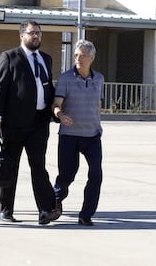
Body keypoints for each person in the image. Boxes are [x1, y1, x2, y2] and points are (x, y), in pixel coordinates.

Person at [0, 19, 60, 225]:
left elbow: (47, 87)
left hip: (39, 122)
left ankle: (46, 210)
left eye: (38, 32)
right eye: (31, 33)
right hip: (15, 123)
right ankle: (5, 210)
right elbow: (0, 89)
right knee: (10, 166)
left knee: (39, 166)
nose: (36, 36)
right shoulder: (10, 57)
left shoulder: (46, 59)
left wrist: (55, 110)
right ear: (22, 35)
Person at [52, 39, 104, 226]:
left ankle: (86, 214)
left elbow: (98, 104)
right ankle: (56, 201)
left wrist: (97, 123)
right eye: (76, 55)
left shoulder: (99, 79)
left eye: (82, 55)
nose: (78, 58)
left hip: (92, 136)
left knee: (96, 174)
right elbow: (56, 104)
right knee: (67, 175)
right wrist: (60, 114)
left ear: (92, 58)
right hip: (69, 135)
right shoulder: (65, 78)